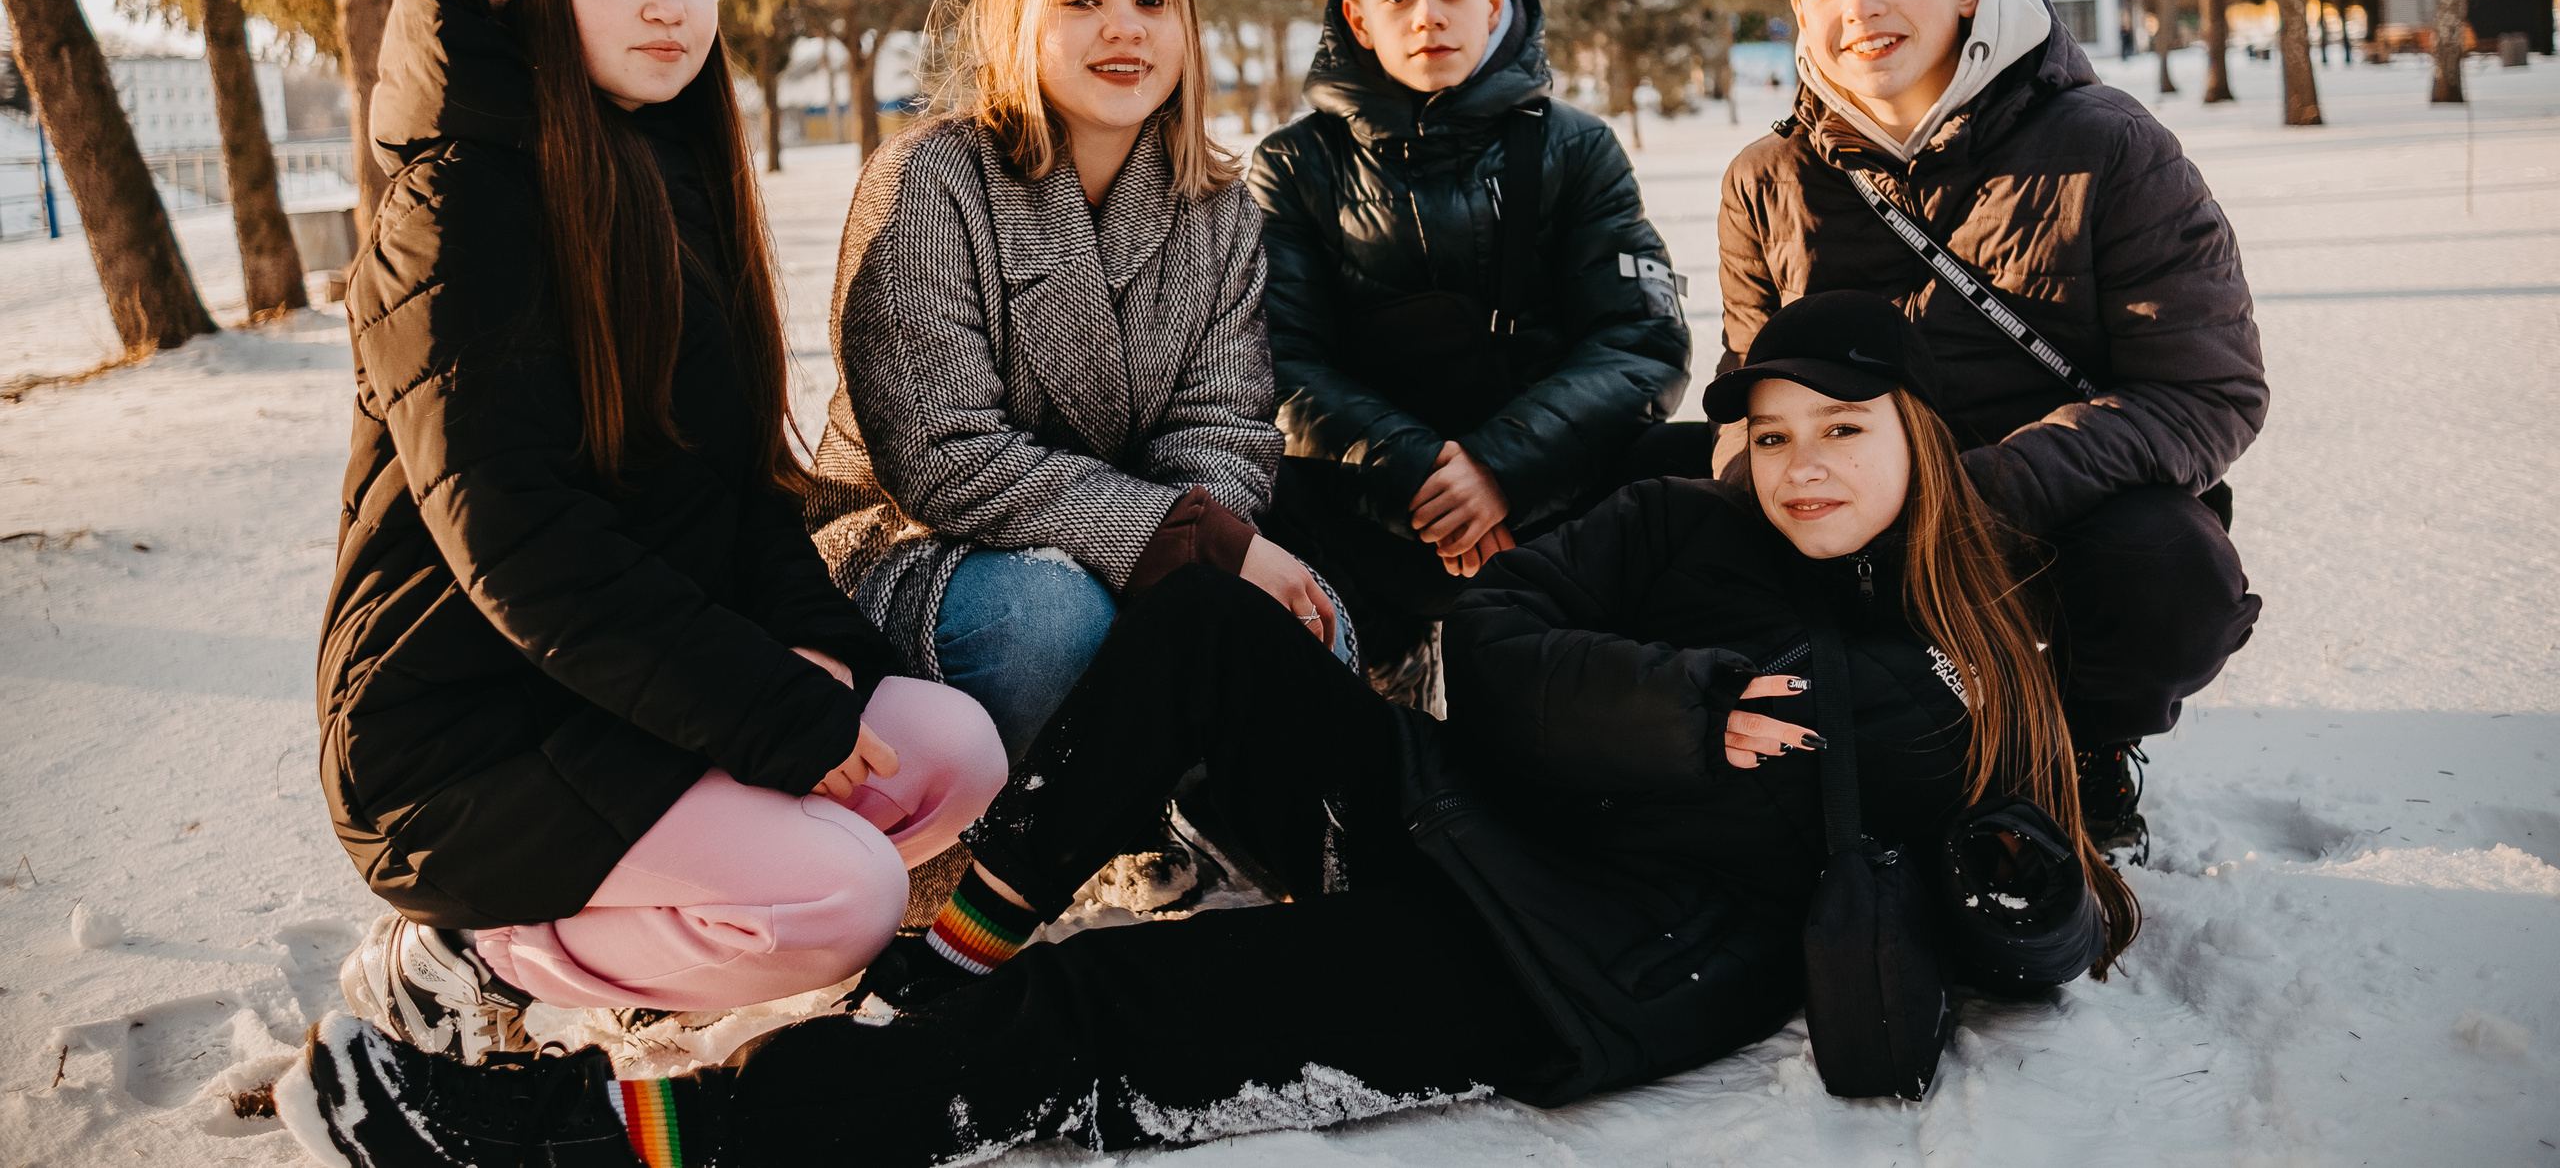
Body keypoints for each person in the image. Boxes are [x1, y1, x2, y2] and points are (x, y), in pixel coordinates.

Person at [278, 291, 2140, 1168]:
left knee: (1107, 1020)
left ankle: (629, 1141)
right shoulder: (1681, 512)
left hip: (1544, 962)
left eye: (1851, 433)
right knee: (1197, 621)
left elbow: (1987, 873)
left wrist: (1998, 883)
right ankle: (964, 940)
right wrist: (1693, 708)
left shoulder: (1949, 670)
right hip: (1451, 801)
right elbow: (1498, 652)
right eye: (1783, 429)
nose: (1807, 466)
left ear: (1923, 455)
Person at [314, 0, 1007, 1067]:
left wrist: (824, 664)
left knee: (948, 750)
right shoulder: (454, 209)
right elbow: (521, 544)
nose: (666, 3)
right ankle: (464, 954)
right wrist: (768, 714)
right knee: (844, 893)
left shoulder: (672, 173)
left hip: (619, 692)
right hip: (462, 731)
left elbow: (738, 495)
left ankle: (656, 925)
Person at [1718, 0, 2267, 852]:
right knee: (1664, 519)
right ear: (1798, 8)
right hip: (1849, 521)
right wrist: (1763, 493)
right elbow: (1746, 400)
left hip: (2054, 518)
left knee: (2172, 570)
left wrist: (1969, 496)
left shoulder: (2108, 144)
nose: (1861, 6)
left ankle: (2082, 751)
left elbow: (2205, 393)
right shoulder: (1766, 180)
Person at [802, 0, 1341, 760]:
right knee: (1049, 620)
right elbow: (942, 455)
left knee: (1309, 622)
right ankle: (982, 852)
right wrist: (1177, 543)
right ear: (1020, 18)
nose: (1124, 27)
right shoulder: (931, 182)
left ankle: (1203, 827)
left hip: (1139, 544)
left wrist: (1183, 557)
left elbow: (1225, 431)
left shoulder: (1219, 215)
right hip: (911, 548)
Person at [1252, 0, 1701, 681]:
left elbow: (1642, 338)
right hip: (1367, 508)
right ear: (1358, 18)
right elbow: (1276, 362)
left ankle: (1635, 693)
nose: (1429, 16)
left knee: (1691, 461)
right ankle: (1371, 667)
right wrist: (1423, 473)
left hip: (1549, 502)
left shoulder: (1578, 147)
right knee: (1238, 476)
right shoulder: (1294, 165)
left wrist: (1500, 470)